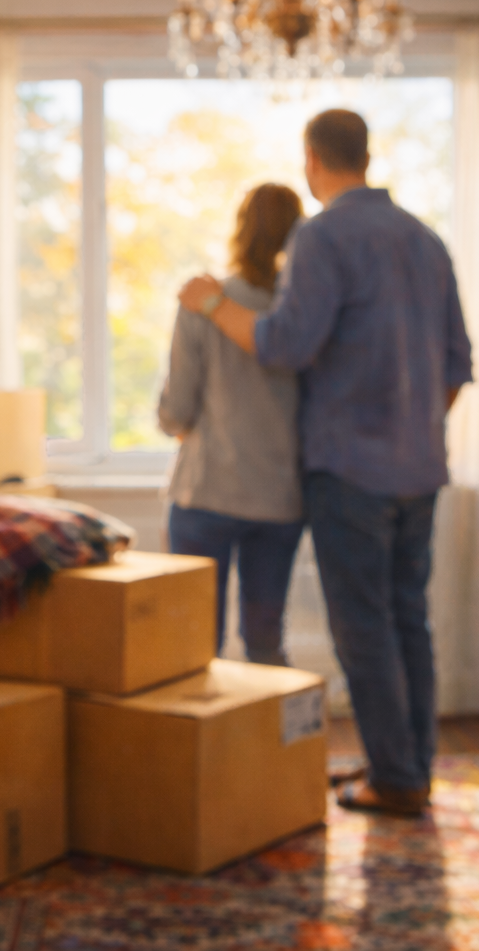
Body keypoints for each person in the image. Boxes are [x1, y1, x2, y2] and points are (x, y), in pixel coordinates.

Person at [178, 109, 472, 815]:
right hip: (420, 469)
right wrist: (414, 429)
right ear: (365, 156)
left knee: (363, 626)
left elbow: (285, 344)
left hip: (350, 474)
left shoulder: (324, 234)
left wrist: (213, 303)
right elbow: (458, 365)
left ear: (312, 160)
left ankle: (396, 779)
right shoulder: (426, 240)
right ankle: (407, 767)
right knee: (410, 622)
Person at [158, 182, 305, 667]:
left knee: (194, 644)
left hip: (208, 492)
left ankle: (200, 744)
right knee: (265, 639)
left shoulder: (206, 300)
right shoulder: (307, 312)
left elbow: (177, 409)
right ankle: (266, 743)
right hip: (279, 496)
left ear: (240, 230)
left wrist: (180, 424)